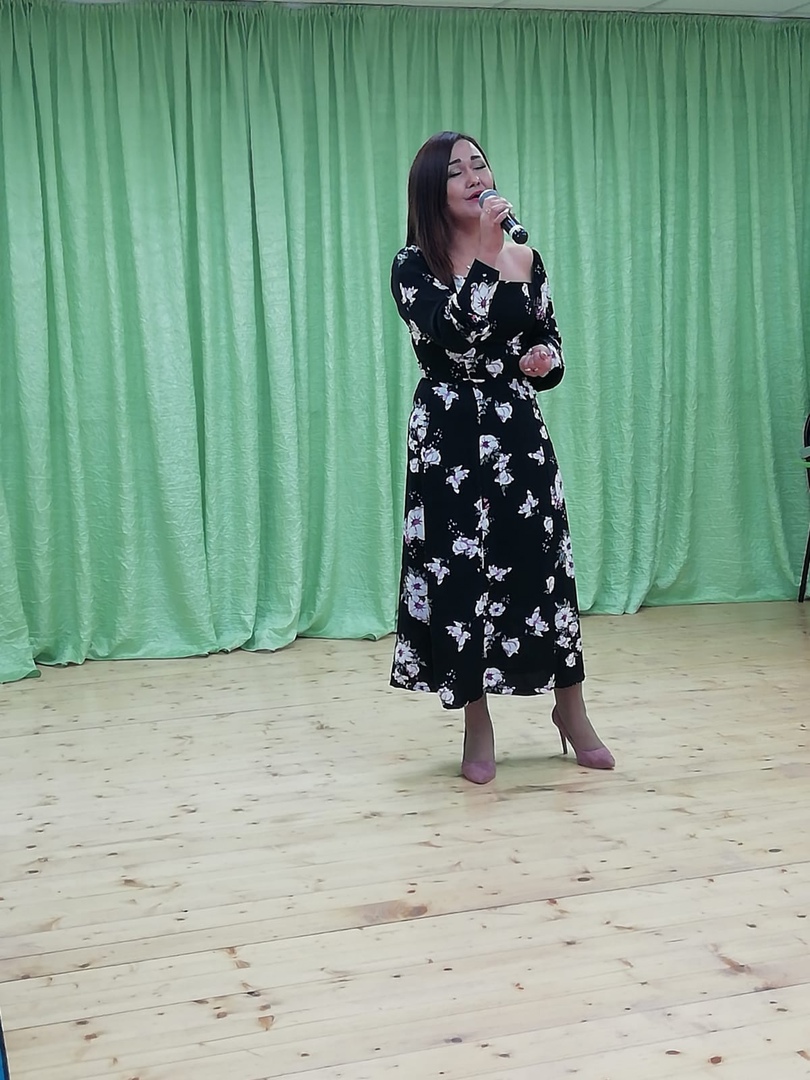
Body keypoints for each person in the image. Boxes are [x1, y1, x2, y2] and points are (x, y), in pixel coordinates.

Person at [389, 131, 614, 784]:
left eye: (479, 165)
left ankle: (571, 709)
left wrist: (544, 360)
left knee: (543, 566)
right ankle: (477, 721)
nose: (473, 177)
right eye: (456, 171)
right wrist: (486, 256)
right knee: (461, 577)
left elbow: (548, 339)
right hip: (449, 434)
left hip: (518, 429)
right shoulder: (413, 265)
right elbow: (454, 331)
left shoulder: (525, 256)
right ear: (431, 190)